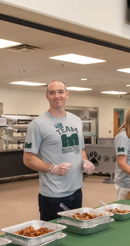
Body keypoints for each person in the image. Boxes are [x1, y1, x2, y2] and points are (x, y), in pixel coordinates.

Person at [23, 80, 95, 221]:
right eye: (52, 92)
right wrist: (52, 168)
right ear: (47, 96)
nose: (57, 96)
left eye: (60, 92)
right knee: (54, 236)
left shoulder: (76, 121)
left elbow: (80, 150)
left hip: (76, 190)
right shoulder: (38, 124)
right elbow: (28, 158)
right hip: (53, 194)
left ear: (67, 94)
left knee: (75, 234)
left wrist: (85, 161)